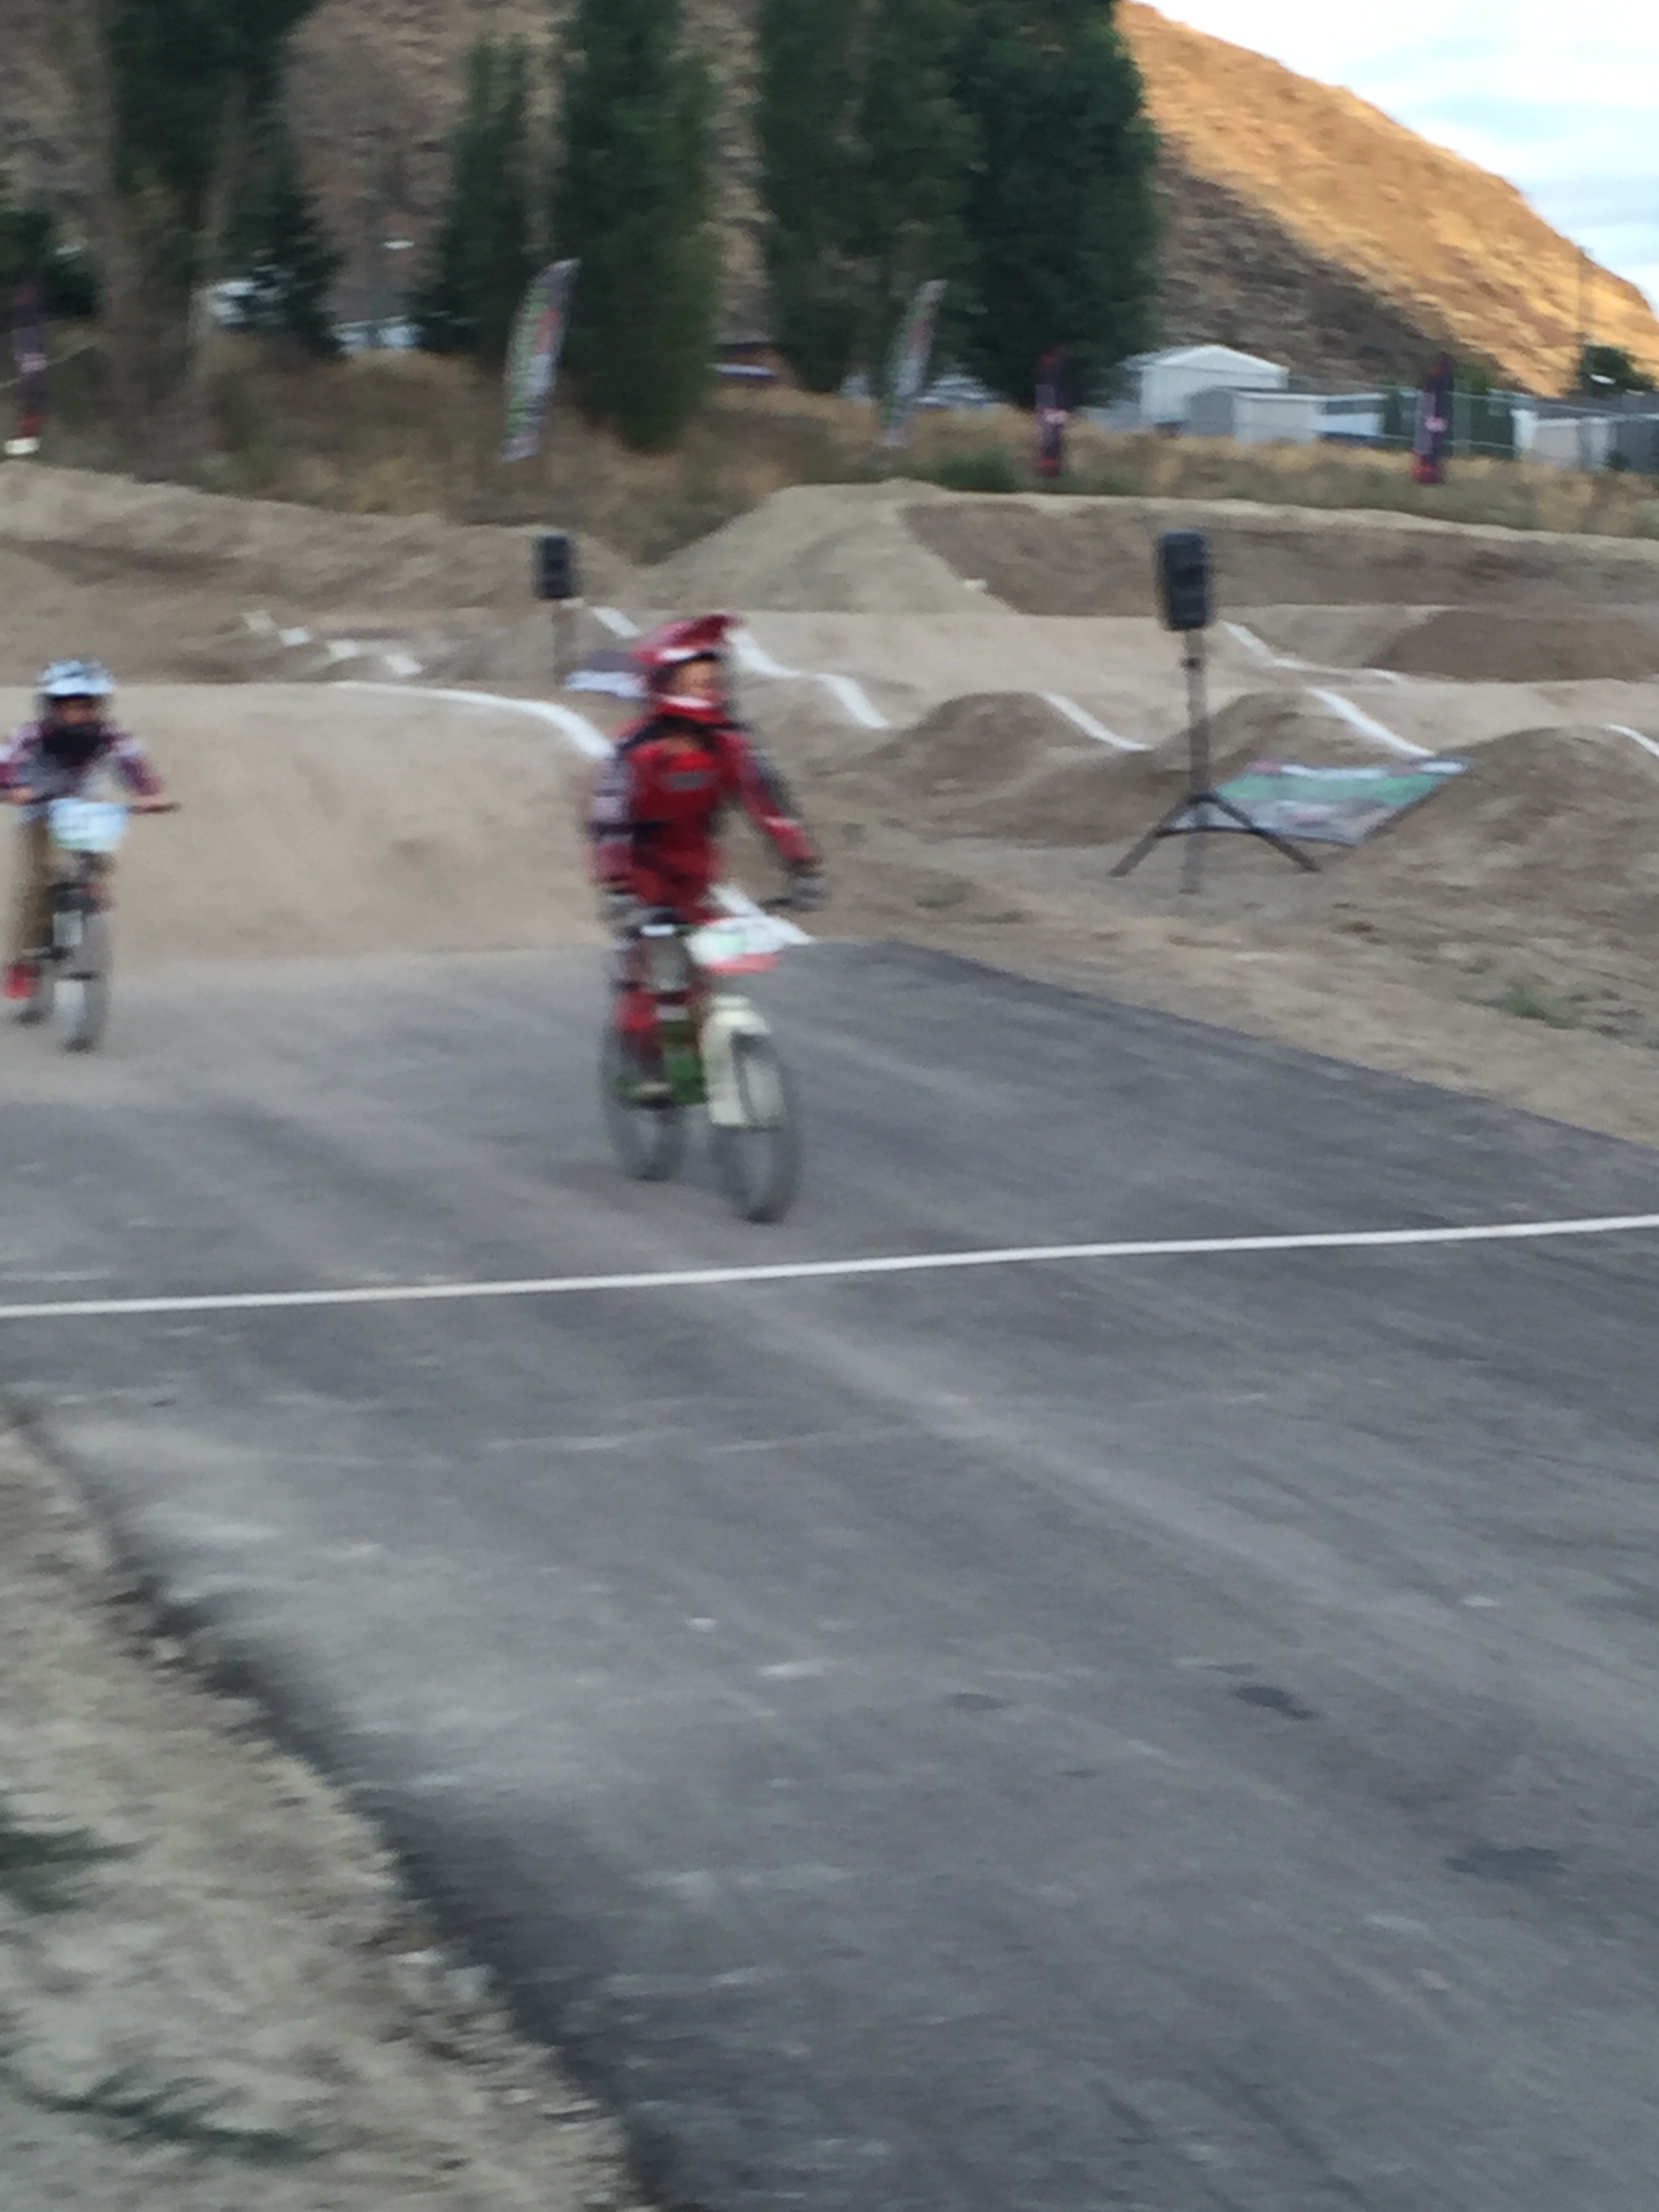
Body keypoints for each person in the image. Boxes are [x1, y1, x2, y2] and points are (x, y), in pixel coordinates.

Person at [588, 613, 822, 1089]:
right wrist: (617, 889)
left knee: (705, 970)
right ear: (665, 682)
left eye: (713, 676)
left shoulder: (731, 744)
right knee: (649, 978)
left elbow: (769, 805)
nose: (708, 686)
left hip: (697, 875)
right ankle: (645, 1062)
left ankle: (705, 1052)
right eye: (696, 677)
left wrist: (803, 866)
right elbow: (609, 820)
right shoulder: (635, 751)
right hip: (643, 875)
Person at [1, 660, 166, 1004]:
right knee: (35, 882)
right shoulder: (33, 735)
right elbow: (7, 762)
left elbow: (132, 762)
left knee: (99, 856)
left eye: (86, 706)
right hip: (40, 808)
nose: (78, 714)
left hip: (82, 806)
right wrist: (11, 787)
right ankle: (20, 964)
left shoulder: (110, 735)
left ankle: (91, 904)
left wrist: (148, 793)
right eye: (70, 707)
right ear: (52, 708)